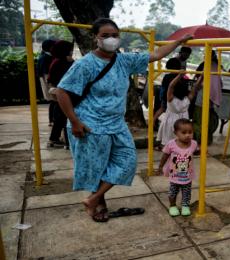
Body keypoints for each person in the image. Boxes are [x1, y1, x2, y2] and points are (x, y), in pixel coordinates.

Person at [56, 18, 192, 222]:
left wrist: (179, 41)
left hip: (116, 123)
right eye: (105, 35)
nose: (111, 39)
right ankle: (99, 203)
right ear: (96, 38)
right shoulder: (86, 64)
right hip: (90, 124)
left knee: (128, 161)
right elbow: (61, 92)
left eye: (114, 35)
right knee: (97, 167)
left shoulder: (124, 60)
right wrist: (74, 122)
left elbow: (156, 54)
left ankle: (92, 199)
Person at [157, 118, 197, 216]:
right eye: (183, 132)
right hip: (174, 175)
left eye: (190, 132)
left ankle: (185, 206)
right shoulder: (171, 144)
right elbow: (165, 156)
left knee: (186, 192)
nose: (187, 135)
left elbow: (195, 152)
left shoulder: (193, 144)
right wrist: (160, 166)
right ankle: (172, 206)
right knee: (172, 192)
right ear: (176, 133)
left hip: (187, 175)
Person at [157, 73, 202, 146]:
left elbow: (171, 86)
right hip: (183, 124)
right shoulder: (187, 100)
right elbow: (195, 88)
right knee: (181, 143)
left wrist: (179, 75)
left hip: (171, 123)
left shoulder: (170, 99)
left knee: (170, 143)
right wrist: (201, 77)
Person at [192, 50, 223, 146]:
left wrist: (196, 86)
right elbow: (219, 83)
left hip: (202, 98)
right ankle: (207, 140)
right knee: (208, 120)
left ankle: (198, 141)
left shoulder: (205, 66)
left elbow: (198, 82)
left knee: (198, 121)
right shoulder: (217, 66)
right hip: (211, 100)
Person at [47, 40, 74, 148]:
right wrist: (71, 62)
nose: (72, 51)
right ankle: (68, 143)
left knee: (60, 118)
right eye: (70, 49)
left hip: (60, 94)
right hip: (66, 94)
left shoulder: (56, 61)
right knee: (67, 118)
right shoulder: (63, 62)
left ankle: (54, 139)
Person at [37, 39, 56, 126]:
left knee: (54, 101)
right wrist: (51, 84)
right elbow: (46, 73)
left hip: (48, 81)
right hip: (48, 81)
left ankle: (52, 120)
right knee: (54, 101)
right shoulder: (46, 58)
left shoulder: (46, 56)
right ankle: (52, 120)